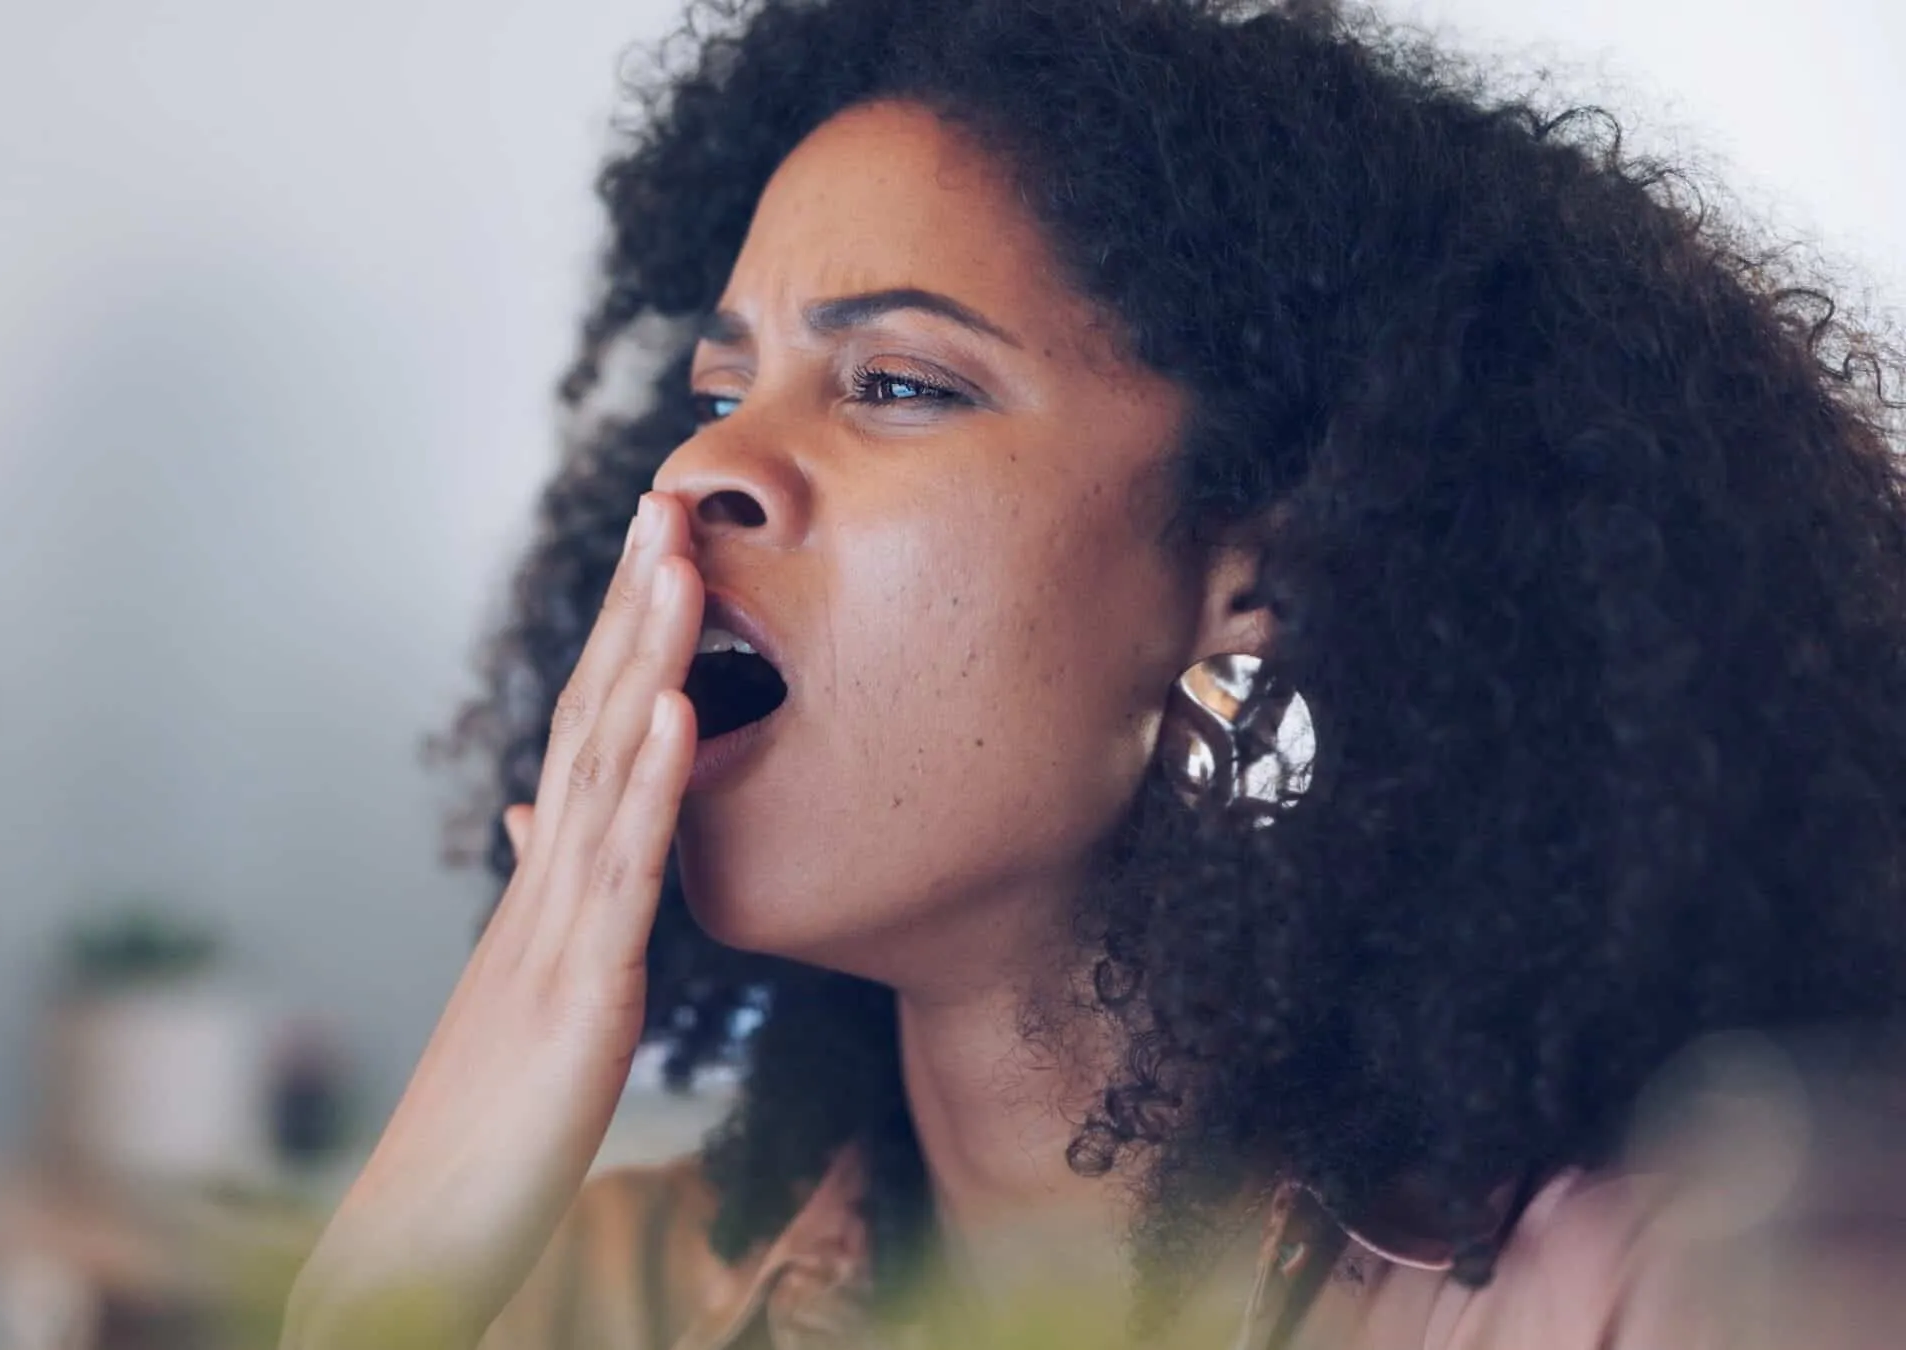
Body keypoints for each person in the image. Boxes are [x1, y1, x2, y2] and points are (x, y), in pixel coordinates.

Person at [283, 1, 1906, 1345]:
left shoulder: (1643, 1294)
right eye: (720, 389)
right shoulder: (571, 1297)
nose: (706, 470)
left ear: (1246, 584)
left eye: (899, 381)